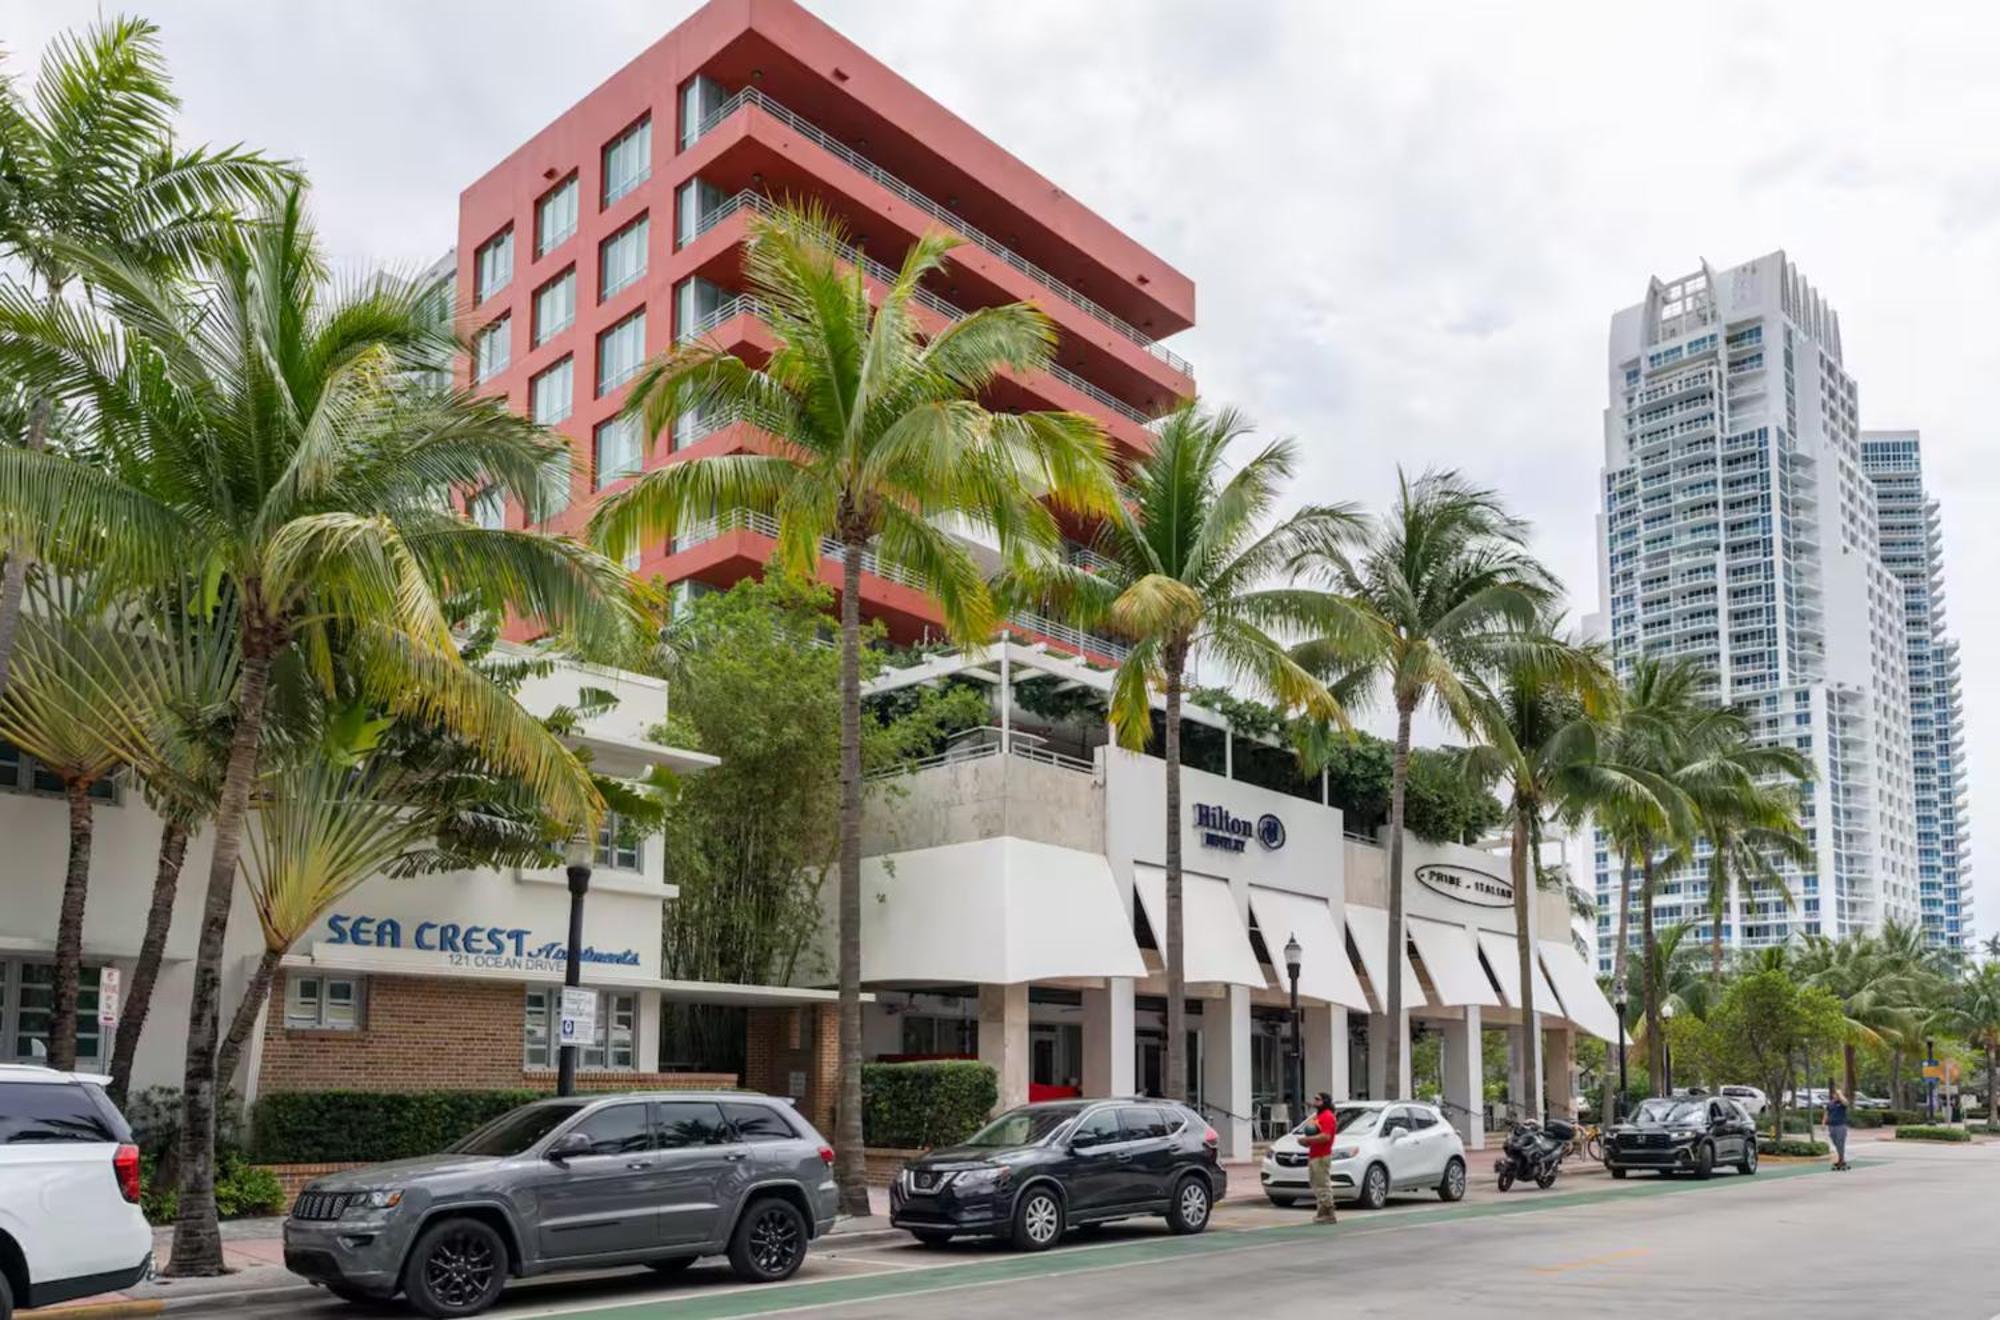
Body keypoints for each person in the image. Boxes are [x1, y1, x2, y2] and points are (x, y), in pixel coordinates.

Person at [1304, 1092, 1339, 1224]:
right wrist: (1308, 1140)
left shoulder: (1328, 1116)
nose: (1315, 1101)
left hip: (1322, 1155)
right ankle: (1322, 1210)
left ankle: (1328, 1212)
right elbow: (1314, 1132)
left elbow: (1326, 1136)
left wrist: (1307, 1139)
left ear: (1324, 1101)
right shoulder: (1318, 1116)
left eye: (1317, 1099)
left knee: (1322, 1183)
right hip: (1314, 1154)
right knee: (1316, 1183)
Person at [1827, 1087, 1850, 1171]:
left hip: (1840, 1126)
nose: (1836, 1096)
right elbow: (1827, 1113)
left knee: (1840, 1142)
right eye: (1835, 1094)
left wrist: (1840, 1094)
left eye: (1837, 1095)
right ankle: (1841, 1158)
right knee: (1835, 1142)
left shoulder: (1842, 1103)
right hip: (1831, 1126)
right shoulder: (1830, 1103)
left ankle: (1841, 1160)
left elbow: (1846, 1103)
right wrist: (1824, 1122)